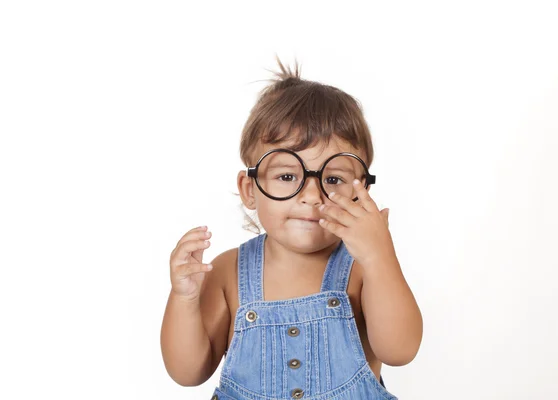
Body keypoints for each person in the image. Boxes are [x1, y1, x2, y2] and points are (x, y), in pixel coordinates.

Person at [160, 58, 423, 399]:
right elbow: (187, 371)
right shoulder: (227, 273)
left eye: (332, 179)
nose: (311, 196)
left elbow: (400, 351)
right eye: (287, 176)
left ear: (361, 193)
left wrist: (380, 259)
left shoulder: (362, 270)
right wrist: (185, 298)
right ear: (250, 189)